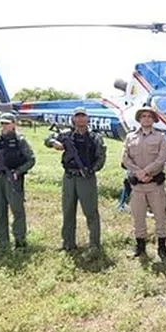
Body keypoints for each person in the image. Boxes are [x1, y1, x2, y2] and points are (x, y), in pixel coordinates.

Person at [46, 107, 106, 252]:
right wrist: (54, 142)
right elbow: (47, 139)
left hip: (86, 178)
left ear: (88, 119)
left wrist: (91, 171)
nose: (80, 119)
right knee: (68, 211)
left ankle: (94, 245)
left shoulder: (95, 137)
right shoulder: (66, 134)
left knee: (91, 212)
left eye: (83, 116)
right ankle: (68, 243)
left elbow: (101, 157)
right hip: (69, 177)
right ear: (73, 119)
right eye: (77, 116)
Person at [121, 106, 166, 258]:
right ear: (139, 119)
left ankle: (162, 247)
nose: (146, 118)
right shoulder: (130, 137)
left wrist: (146, 172)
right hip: (138, 186)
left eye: (149, 116)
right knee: (138, 217)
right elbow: (125, 158)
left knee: (160, 217)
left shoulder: (161, 137)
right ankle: (140, 247)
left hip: (155, 185)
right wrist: (138, 173)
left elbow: (162, 158)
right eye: (143, 116)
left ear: (154, 120)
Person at [0, 112, 35, 250]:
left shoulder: (20, 141)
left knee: (17, 210)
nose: (4, 126)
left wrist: (18, 172)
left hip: (13, 179)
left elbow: (31, 160)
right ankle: (3, 243)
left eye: (7, 123)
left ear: (14, 124)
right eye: (2, 123)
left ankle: (20, 241)